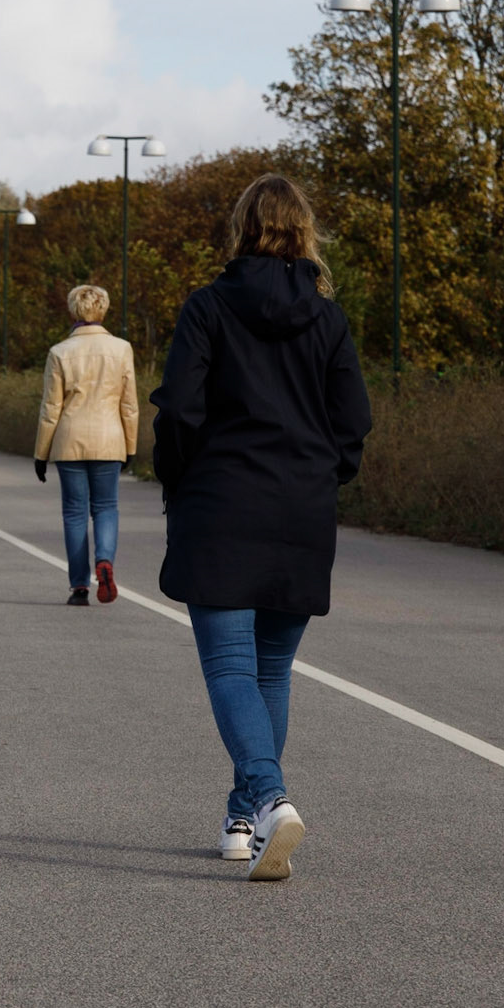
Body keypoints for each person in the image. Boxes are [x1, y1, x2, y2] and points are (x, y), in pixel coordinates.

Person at [152, 174, 371, 881]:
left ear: (242, 228)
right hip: (300, 509)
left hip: (222, 502)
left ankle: (270, 798)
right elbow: (354, 422)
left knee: (230, 666)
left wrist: (179, 480)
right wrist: (321, 475)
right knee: (271, 670)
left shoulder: (209, 308)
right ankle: (241, 817)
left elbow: (180, 409)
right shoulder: (329, 319)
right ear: (304, 231)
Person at [34, 285, 138, 607]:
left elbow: (51, 408)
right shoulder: (122, 349)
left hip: (70, 442)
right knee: (106, 507)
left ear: (73, 311)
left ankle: (79, 586)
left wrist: (41, 453)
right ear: (103, 311)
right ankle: (104, 561)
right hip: (109, 439)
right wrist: (131, 447)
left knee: (74, 513)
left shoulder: (60, 352)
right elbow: (129, 405)